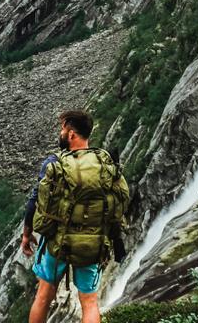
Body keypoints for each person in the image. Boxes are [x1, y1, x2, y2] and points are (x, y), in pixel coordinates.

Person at [21, 109, 129, 323]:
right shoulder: (104, 162)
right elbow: (119, 200)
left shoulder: (55, 163)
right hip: (93, 243)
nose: (61, 133)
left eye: (63, 129)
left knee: (44, 296)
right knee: (89, 301)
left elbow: (35, 200)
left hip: (58, 243)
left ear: (71, 134)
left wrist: (27, 233)